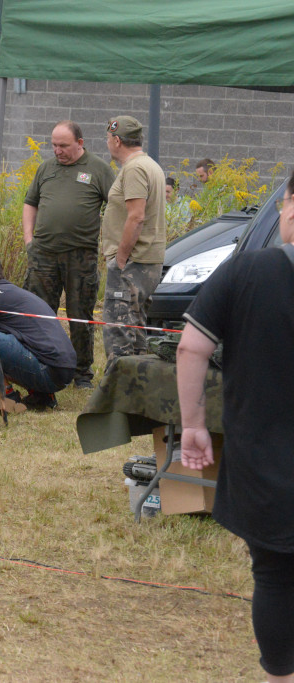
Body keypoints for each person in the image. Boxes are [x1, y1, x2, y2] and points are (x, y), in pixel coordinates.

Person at [176, 172, 294, 683]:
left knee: (273, 574)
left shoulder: (244, 270)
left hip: (263, 459)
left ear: (288, 206)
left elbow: (190, 348)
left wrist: (193, 424)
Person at [22, 120, 115, 389]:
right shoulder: (46, 169)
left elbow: (118, 206)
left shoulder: (98, 169)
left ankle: (81, 373)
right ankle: (39, 364)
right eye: (54, 145)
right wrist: (29, 240)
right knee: (39, 313)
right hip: (43, 254)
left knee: (80, 315)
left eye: (63, 145)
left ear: (80, 143)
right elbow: (30, 203)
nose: (57, 150)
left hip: (81, 256)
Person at [0, 256, 76, 410]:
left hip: (49, 369)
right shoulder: (11, 292)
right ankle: (42, 395)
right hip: (61, 370)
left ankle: (5, 394)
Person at [102, 115, 166, 364]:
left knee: (119, 330)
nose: (108, 143)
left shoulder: (135, 169)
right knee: (135, 329)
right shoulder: (150, 165)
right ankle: (138, 393)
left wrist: (120, 258)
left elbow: (136, 217)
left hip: (132, 262)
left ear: (117, 140)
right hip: (144, 261)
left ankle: (119, 392)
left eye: (108, 138)